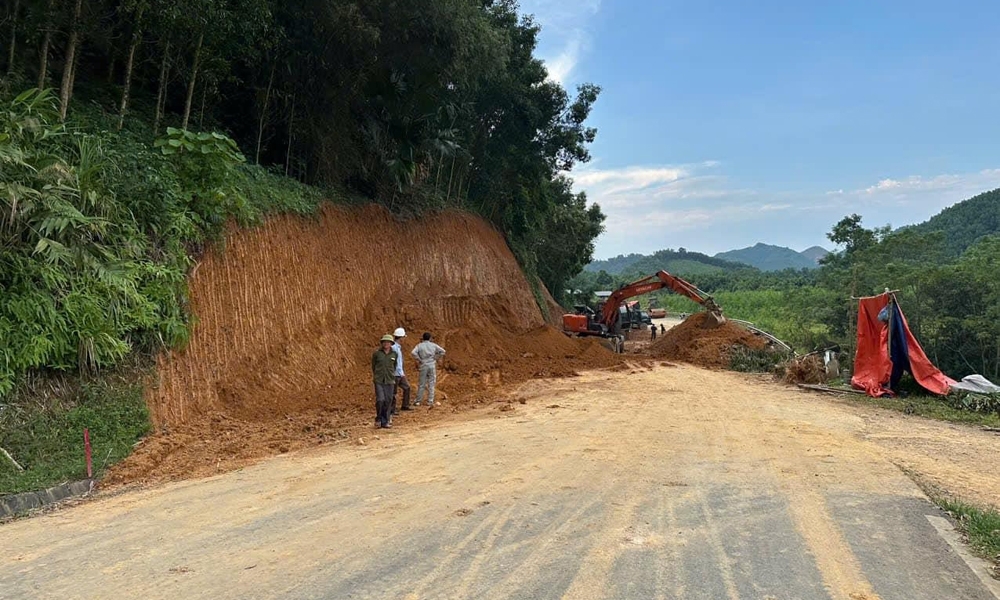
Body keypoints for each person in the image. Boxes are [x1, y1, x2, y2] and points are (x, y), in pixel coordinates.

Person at [411, 332, 446, 407]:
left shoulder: (419, 346)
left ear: (423, 338)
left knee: (421, 384)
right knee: (431, 383)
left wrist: (419, 359)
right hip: (432, 365)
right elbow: (443, 351)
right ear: (430, 338)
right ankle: (430, 401)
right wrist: (436, 357)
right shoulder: (433, 345)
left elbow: (413, 352)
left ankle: (418, 401)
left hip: (423, 365)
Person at [372, 335, 398, 429]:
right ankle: (378, 419)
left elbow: (394, 366)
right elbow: (373, 366)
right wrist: (377, 375)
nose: (386, 344)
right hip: (379, 380)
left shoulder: (394, 354)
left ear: (391, 344)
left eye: (388, 342)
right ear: (382, 343)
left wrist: (391, 375)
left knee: (388, 400)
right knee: (380, 400)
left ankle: (385, 421)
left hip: (390, 380)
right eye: (384, 342)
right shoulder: (377, 354)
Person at [391, 327, 412, 413]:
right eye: (403, 337)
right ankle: (392, 409)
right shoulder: (394, 348)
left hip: (399, 373)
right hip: (395, 373)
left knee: (407, 387)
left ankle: (405, 405)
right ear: (401, 337)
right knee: (393, 392)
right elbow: (395, 362)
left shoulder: (398, 347)